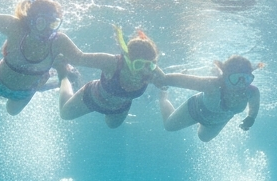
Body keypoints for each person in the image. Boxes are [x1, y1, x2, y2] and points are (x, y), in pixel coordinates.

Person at [56, 26, 220, 128]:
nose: (144, 70)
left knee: (112, 126)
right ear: (127, 59)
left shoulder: (152, 70)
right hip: (92, 97)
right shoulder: (112, 63)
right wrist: (58, 40)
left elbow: (167, 80)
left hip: (118, 109)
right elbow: (79, 57)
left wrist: (208, 81)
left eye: (150, 64)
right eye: (138, 65)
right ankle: (65, 76)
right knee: (64, 114)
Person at [0, 0, 103, 115]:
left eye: (53, 24)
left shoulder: (59, 40)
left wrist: (111, 63)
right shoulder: (15, 27)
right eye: (41, 22)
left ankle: (56, 71)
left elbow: (80, 58)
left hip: (22, 93)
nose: (47, 29)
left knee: (12, 111)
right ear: (30, 21)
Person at [159, 55, 261, 141]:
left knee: (204, 138)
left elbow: (254, 108)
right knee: (169, 126)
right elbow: (183, 80)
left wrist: (250, 118)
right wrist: (161, 79)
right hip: (194, 109)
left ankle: (197, 123)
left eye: (247, 79)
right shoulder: (212, 85)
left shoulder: (252, 92)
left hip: (216, 122)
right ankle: (163, 97)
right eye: (235, 78)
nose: (241, 84)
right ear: (225, 77)